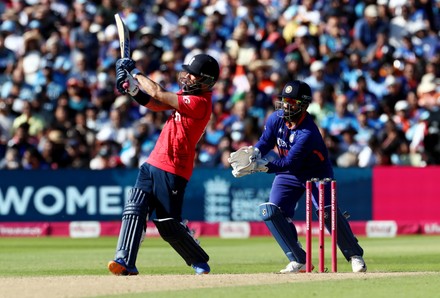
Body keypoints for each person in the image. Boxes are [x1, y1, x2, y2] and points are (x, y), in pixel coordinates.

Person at [228, 80, 367, 273]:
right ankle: (299, 259)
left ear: (303, 105)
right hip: (290, 175)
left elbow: (288, 163)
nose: (286, 105)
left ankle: (354, 255)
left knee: (327, 212)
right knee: (270, 211)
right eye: (284, 100)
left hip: (316, 174)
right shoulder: (276, 118)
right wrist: (255, 153)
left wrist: (259, 167)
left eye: (291, 102)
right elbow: (266, 141)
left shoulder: (308, 133)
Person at [107, 53, 220, 275]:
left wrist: (135, 72)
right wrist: (131, 88)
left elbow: (158, 92)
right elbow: (156, 104)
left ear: (206, 80)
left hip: (174, 169)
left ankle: (198, 260)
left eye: (192, 74)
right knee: (134, 208)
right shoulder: (189, 94)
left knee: (169, 224)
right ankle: (124, 260)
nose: (186, 77)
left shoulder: (200, 103)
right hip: (153, 162)